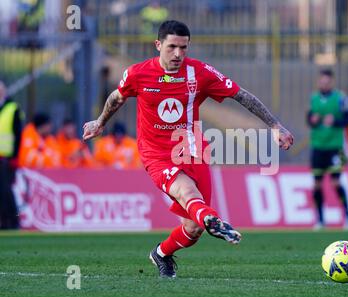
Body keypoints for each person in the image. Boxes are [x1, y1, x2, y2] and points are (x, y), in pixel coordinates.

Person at [83, 20, 293, 278]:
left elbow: (241, 95)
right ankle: (214, 220)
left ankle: (161, 253)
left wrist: (275, 125)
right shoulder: (138, 74)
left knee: (193, 229)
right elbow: (117, 97)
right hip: (156, 154)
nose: (178, 54)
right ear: (158, 45)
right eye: (172, 47)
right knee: (187, 192)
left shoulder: (200, 73)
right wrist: (100, 122)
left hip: (193, 150)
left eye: (184, 48)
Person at [307, 69, 348, 230]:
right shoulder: (313, 98)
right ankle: (320, 220)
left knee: (336, 182)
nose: (324, 84)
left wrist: (335, 121)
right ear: (319, 82)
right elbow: (309, 119)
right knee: (317, 185)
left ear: (331, 83)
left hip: (336, 147)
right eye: (322, 81)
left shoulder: (340, 99)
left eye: (327, 82)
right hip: (318, 146)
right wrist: (312, 120)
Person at [0, 80, 22, 229]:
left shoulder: (12, 108)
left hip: (5, 158)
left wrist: (14, 157)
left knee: (6, 191)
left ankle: (13, 222)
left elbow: (18, 134)